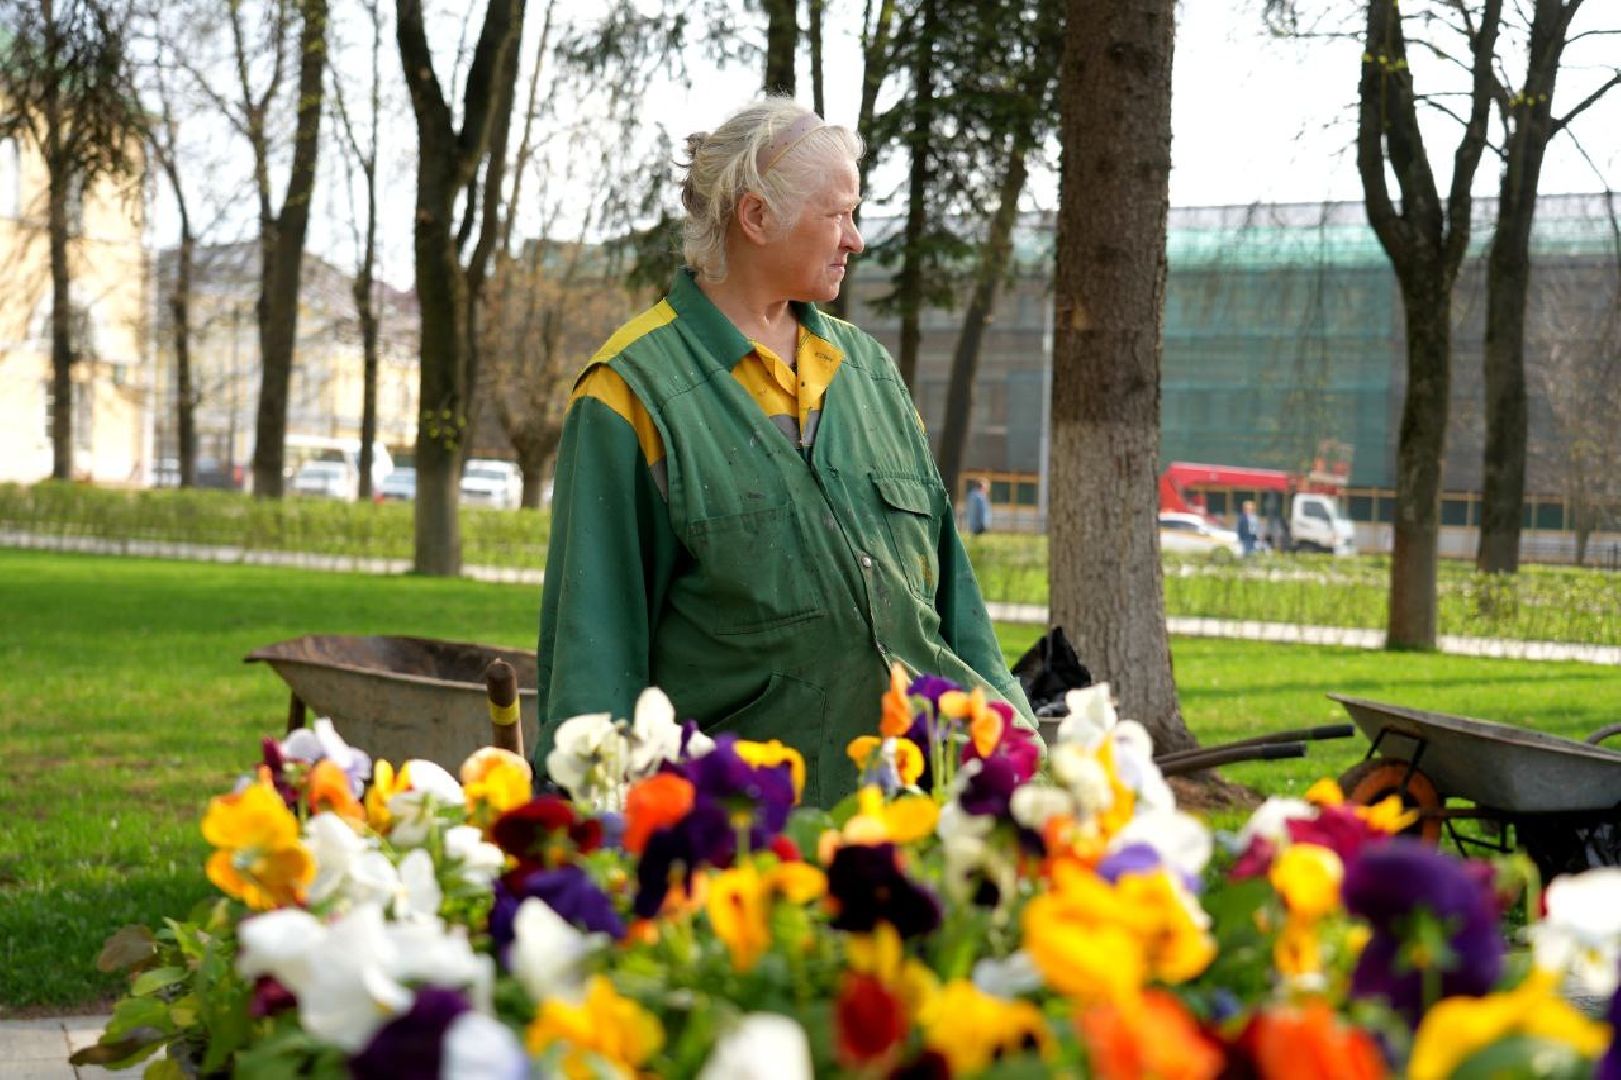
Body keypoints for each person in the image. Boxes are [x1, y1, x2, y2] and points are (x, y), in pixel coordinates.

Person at [534, 98, 1037, 807]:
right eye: (837, 215)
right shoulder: (629, 395)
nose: (855, 240)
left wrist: (1021, 746)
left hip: (911, 822)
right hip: (739, 840)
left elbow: (954, 607)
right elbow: (595, 654)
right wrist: (594, 832)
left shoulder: (867, 373)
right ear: (755, 217)